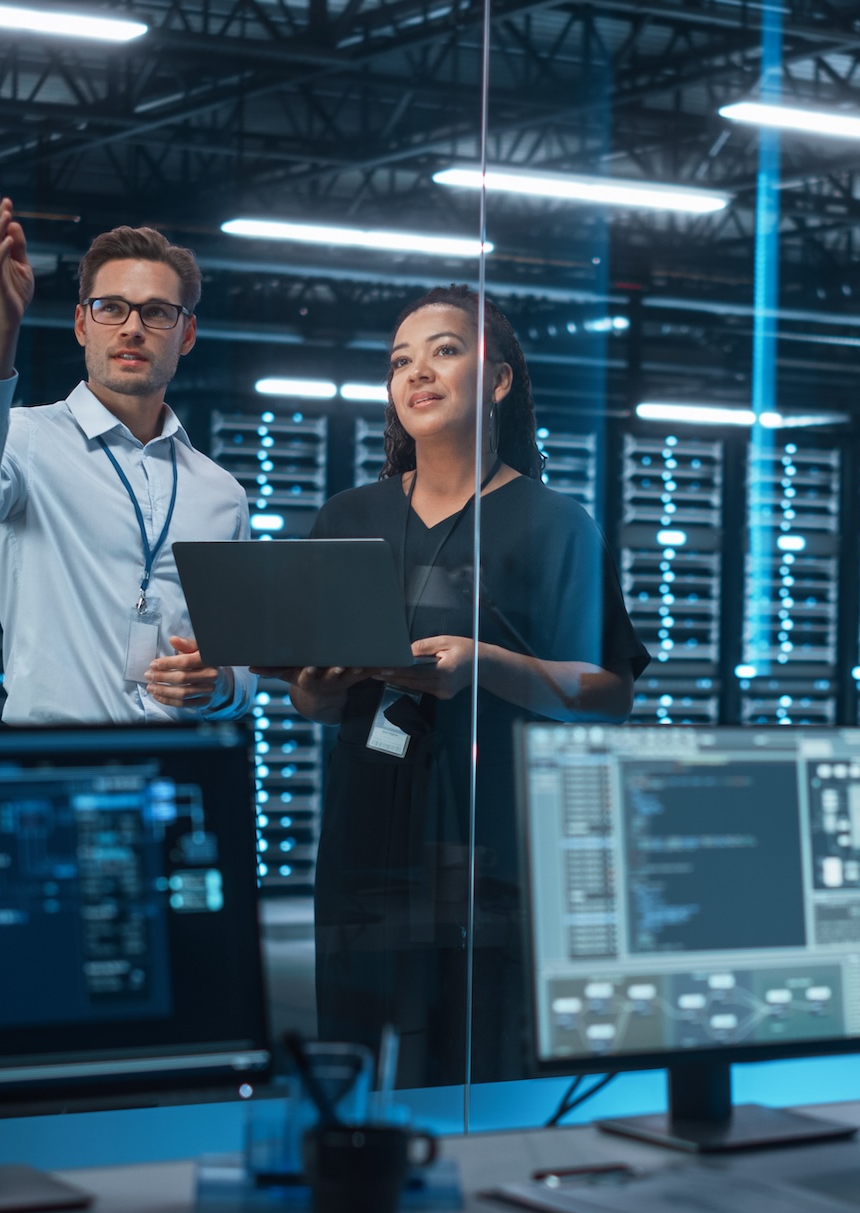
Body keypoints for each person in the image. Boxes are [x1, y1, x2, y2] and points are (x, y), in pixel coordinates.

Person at [257, 286, 649, 1086]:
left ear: (498, 380)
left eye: (443, 350)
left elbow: (611, 689)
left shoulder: (554, 522)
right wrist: (320, 686)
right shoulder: (347, 516)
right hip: (366, 841)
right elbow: (312, 697)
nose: (417, 373)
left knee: (475, 1070)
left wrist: (485, 663)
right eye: (401, 361)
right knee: (350, 1066)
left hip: (493, 848)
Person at [0, 190, 252, 723]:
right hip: (54, 769)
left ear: (187, 333)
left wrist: (219, 684)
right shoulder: (23, 441)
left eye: (156, 312)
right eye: (111, 309)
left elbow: (242, 674)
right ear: (83, 324)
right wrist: (3, 325)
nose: (132, 328)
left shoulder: (221, 494)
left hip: (173, 772)